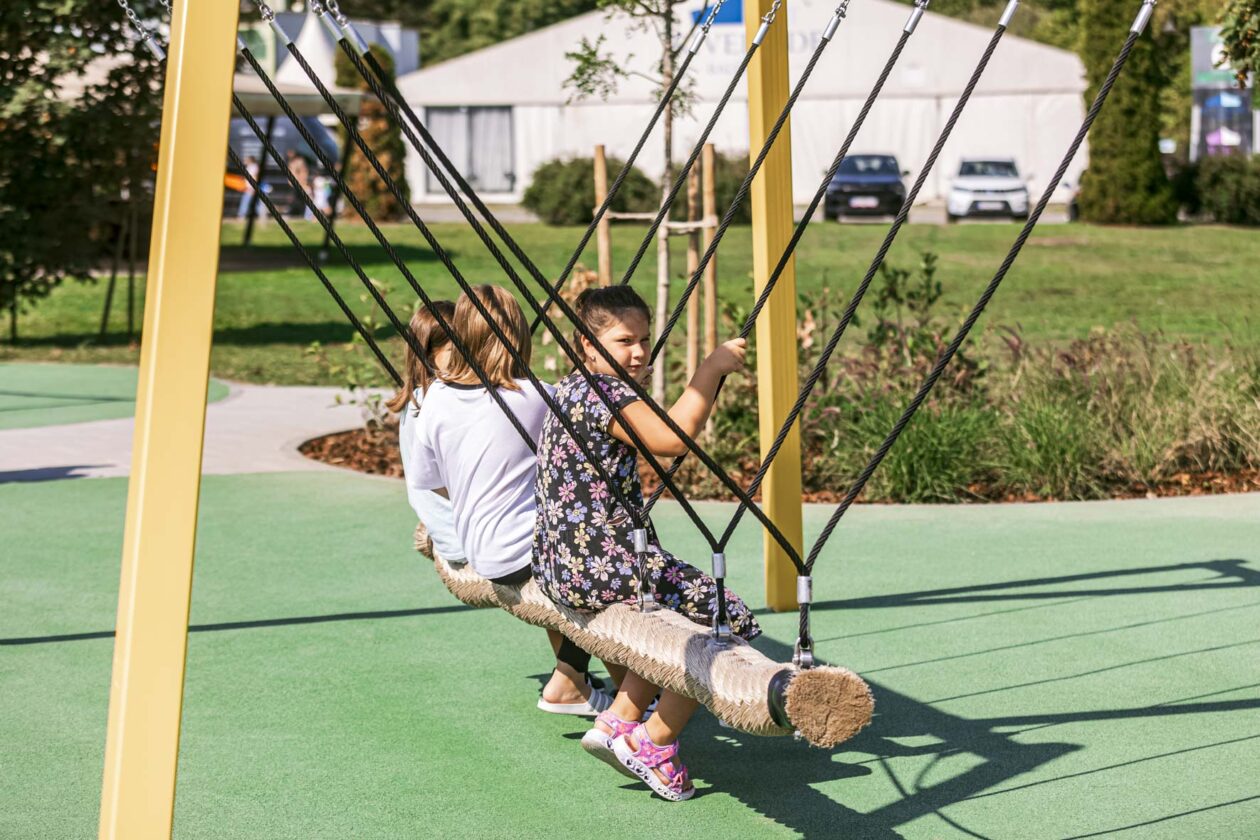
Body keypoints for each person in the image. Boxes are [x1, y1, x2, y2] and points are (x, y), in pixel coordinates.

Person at [532, 285, 761, 802]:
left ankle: (619, 719)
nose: (638, 353)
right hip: (601, 564)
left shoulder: (569, 388)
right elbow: (671, 439)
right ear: (586, 345)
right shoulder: (609, 394)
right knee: (725, 617)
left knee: (674, 605)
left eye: (644, 340)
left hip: (559, 561)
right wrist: (711, 369)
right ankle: (653, 742)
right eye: (623, 341)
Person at [407, 285, 613, 716]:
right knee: (605, 560)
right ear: (521, 336)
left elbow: (434, 482)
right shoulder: (536, 396)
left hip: (483, 551)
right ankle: (580, 683)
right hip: (525, 553)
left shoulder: (435, 399)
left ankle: (573, 681)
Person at [391, 301, 464, 563]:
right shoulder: (437, 401)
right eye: (455, 350)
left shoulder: (419, 397)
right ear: (429, 353)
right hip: (463, 539)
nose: (468, 358)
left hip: (446, 531)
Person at [285, 148, 312, 218]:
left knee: (300, 200)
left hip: (299, 184)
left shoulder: (299, 161)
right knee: (293, 199)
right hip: (293, 184)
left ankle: (301, 214)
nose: (289, 154)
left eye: (290, 152)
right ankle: (294, 214)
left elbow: (304, 172)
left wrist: (302, 182)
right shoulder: (290, 162)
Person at [236, 155, 261, 220]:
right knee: (256, 202)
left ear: (250, 160)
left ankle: (241, 215)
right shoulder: (250, 166)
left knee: (246, 201)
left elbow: (255, 177)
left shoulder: (254, 166)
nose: (245, 160)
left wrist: (254, 187)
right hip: (249, 187)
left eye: (246, 159)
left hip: (251, 187)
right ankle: (262, 214)